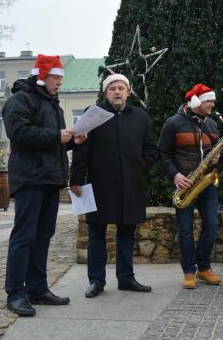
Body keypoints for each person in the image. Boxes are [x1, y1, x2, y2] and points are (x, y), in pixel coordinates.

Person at [2, 54, 85, 316]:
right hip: (29, 179)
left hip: (50, 178)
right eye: (55, 77)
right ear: (41, 76)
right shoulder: (20, 100)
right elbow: (19, 133)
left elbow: (52, 143)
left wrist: (73, 141)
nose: (59, 82)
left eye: (60, 78)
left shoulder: (54, 106)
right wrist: (57, 136)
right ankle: (16, 293)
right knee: (24, 237)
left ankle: (37, 289)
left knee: (43, 237)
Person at [70, 73, 159, 298]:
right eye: (112, 88)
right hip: (99, 184)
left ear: (128, 92)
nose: (117, 92)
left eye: (121, 88)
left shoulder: (140, 117)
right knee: (96, 234)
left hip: (131, 185)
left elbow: (150, 149)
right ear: (105, 92)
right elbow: (81, 148)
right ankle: (96, 281)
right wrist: (76, 180)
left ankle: (126, 278)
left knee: (127, 233)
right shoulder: (94, 114)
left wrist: (140, 168)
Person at [158, 83, 222, 289]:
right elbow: (163, 154)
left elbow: (216, 150)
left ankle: (204, 267)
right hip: (184, 183)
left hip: (207, 183)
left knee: (211, 227)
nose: (212, 104)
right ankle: (189, 271)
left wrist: (216, 159)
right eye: (209, 101)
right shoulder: (173, 123)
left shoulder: (211, 124)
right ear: (196, 102)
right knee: (185, 231)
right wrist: (175, 175)